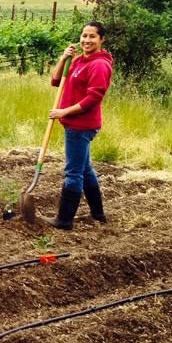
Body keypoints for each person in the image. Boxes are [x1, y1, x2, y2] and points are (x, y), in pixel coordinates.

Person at [45, 21, 113, 230]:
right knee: (84, 169)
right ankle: (98, 213)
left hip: (81, 125)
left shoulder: (99, 65)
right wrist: (64, 58)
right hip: (75, 124)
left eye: (92, 36)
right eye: (84, 35)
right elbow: (56, 81)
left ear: (102, 39)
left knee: (73, 172)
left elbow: (94, 99)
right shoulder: (78, 61)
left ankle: (64, 219)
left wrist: (64, 112)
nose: (87, 40)